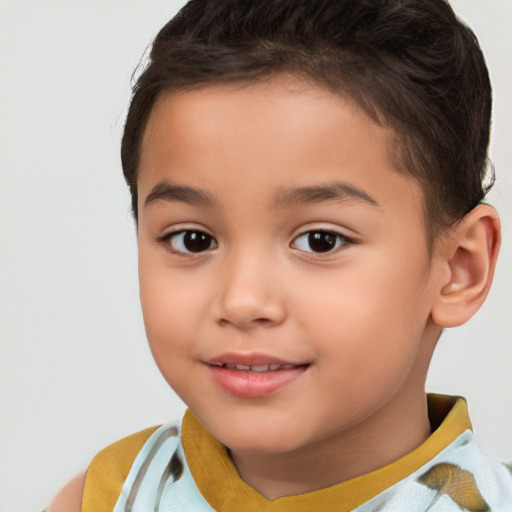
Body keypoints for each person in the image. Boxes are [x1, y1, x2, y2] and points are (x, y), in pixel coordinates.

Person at [47, 0, 512, 510]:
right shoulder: (106, 497)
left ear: (460, 270)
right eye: (193, 239)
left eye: (320, 240)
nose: (243, 301)